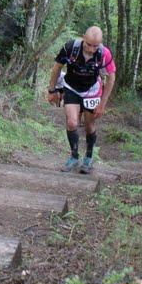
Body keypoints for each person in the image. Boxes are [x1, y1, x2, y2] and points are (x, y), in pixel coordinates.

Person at [46, 26, 116, 174]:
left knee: (89, 125)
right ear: (83, 37)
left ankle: (88, 158)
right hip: (71, 87)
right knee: (72, 122)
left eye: (95, 46)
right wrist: (52, 90)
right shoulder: (70, 47)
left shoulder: (104, 54)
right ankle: (74, 156)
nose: (91, 49)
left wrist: (102, 104)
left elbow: (111, 78)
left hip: (92, 90)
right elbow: (57, 68)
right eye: (89, 44)